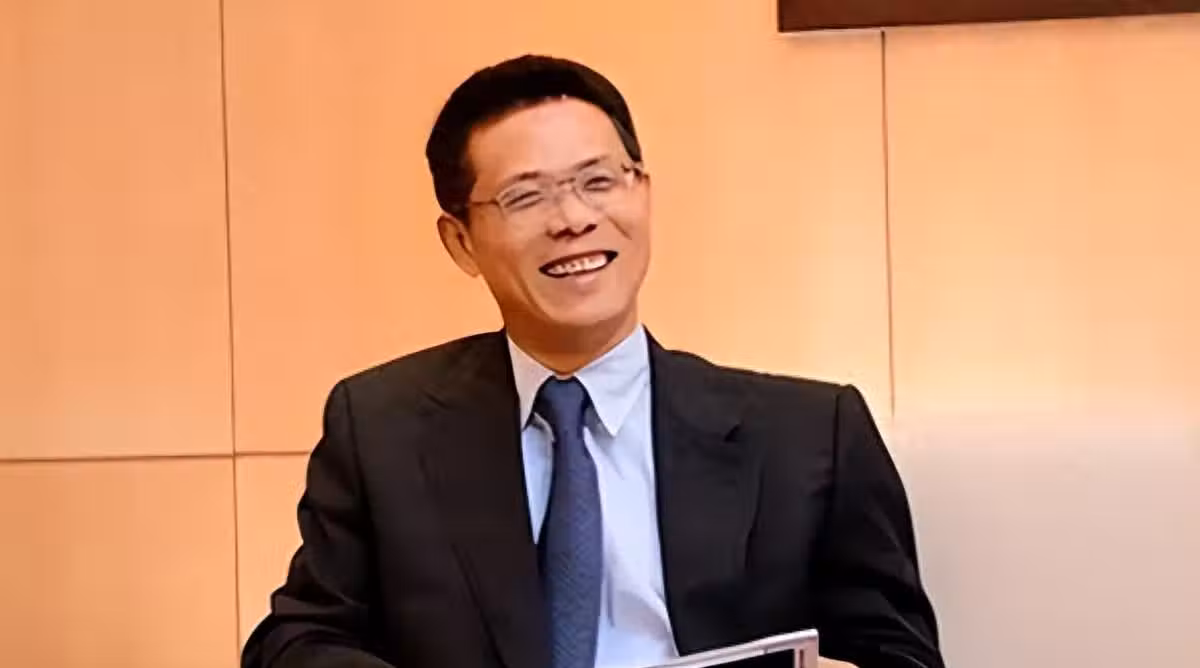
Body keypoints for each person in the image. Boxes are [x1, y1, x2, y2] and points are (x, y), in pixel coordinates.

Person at [242, 55, 943, 668]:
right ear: (461, 241)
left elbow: (901, 653)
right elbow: (296, 640)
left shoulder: (810, 436)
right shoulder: (382, 429)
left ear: (643, 193)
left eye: (598, 181)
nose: (573, 219)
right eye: (525, 196)